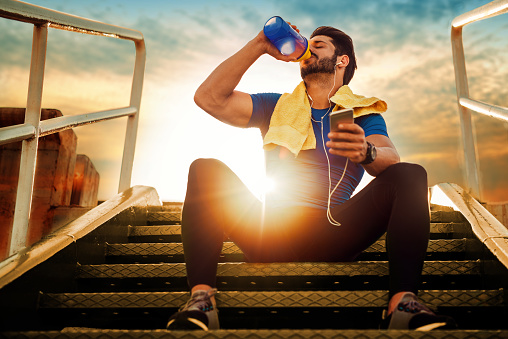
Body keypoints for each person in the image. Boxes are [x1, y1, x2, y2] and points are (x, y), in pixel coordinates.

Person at [166, 24, 456, 331]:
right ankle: (201, 300)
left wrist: (366, 151)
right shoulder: (276, 106)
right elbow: (208, 98)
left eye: (318, 44)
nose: (309, 48)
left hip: (335, 231)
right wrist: (260, 45)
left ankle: (403, 304)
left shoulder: (363, 114)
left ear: (342, 60)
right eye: (308, 44)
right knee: (205, 169)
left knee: (411, 173)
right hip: (271, 231)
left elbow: (390, 158)